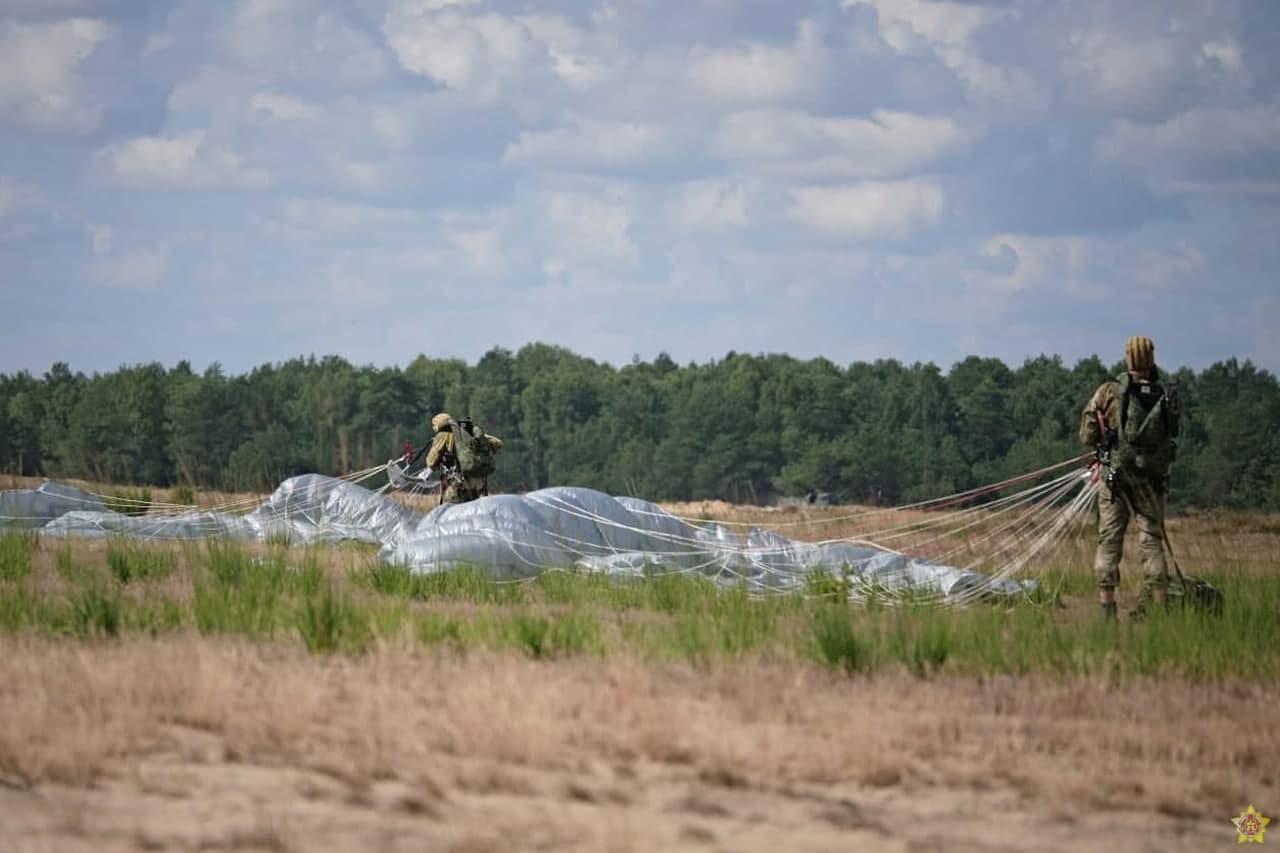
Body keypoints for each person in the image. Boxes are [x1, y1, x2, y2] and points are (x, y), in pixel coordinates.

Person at [1079, 336, 1182, 620]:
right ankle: (1160, 610)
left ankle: (1107, 610)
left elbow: (1087, 435)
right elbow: (1173, 434)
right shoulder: (1166, 395)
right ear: (1151, 358)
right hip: (1152, 480)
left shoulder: (1108, 393)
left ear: (1128, 358)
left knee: (1109, 541)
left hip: (1115, 479)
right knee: (1152, 540)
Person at [425, 412, 504, 505]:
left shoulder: (443, 435)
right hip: (479, 484)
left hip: (458, 483)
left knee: (450, 511)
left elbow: (431, 462)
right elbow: (498, 443)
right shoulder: (469, 433)